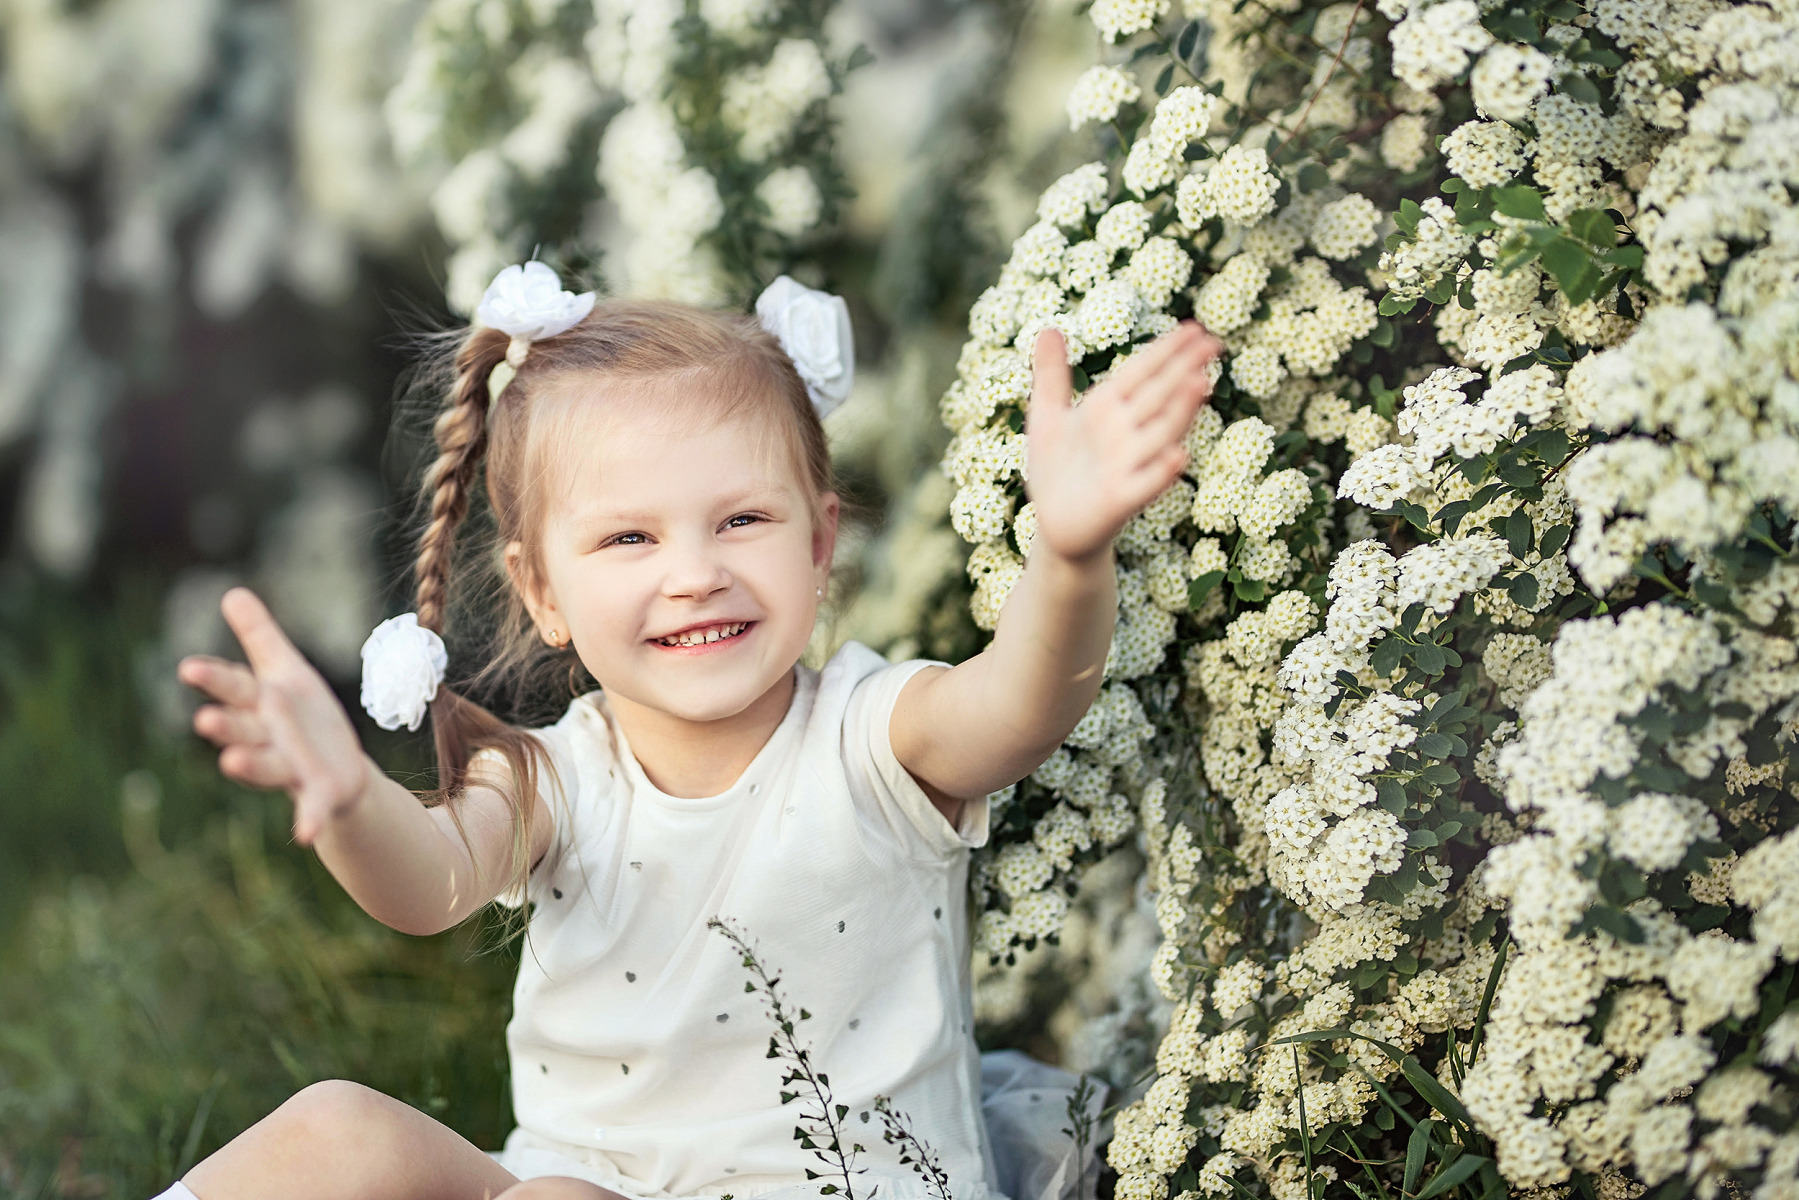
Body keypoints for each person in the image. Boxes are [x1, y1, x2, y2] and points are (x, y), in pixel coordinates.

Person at [162, 262, 1222, 1200]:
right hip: (577, 1187)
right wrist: (351, 801)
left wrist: (1070, 558)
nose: (693, 572)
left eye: (740, 520)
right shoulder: (554, 779)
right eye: (629, 536)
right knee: (337, 1130)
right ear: (543, 592)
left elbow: (1019, 704)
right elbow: (426, 883)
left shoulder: (872, 738)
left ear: (817, 540)